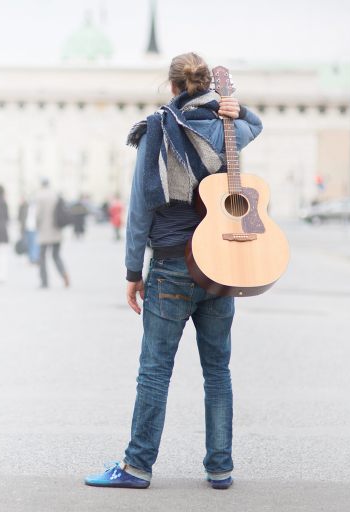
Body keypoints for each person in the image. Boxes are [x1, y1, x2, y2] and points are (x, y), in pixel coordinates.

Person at [84, 52, 263, 490]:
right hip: (219, 265)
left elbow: (140, 206)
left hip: (170, 265)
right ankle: (220, 467)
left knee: (155, 371)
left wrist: (132, 271)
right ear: (208, 87)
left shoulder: (157, 129)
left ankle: (137, 466)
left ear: (172, 87)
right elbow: (255, 125)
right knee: (217, 370)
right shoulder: (228, 129)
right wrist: (234, 106)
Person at [36, 179, 70, 288]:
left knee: (42, 257)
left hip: (45, 232)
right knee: (56, 255)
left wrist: (37, 226)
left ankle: (44, 281)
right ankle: (64, 274)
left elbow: (38, 215)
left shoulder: (40, 196)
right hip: (56, 230)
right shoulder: (55, 195)